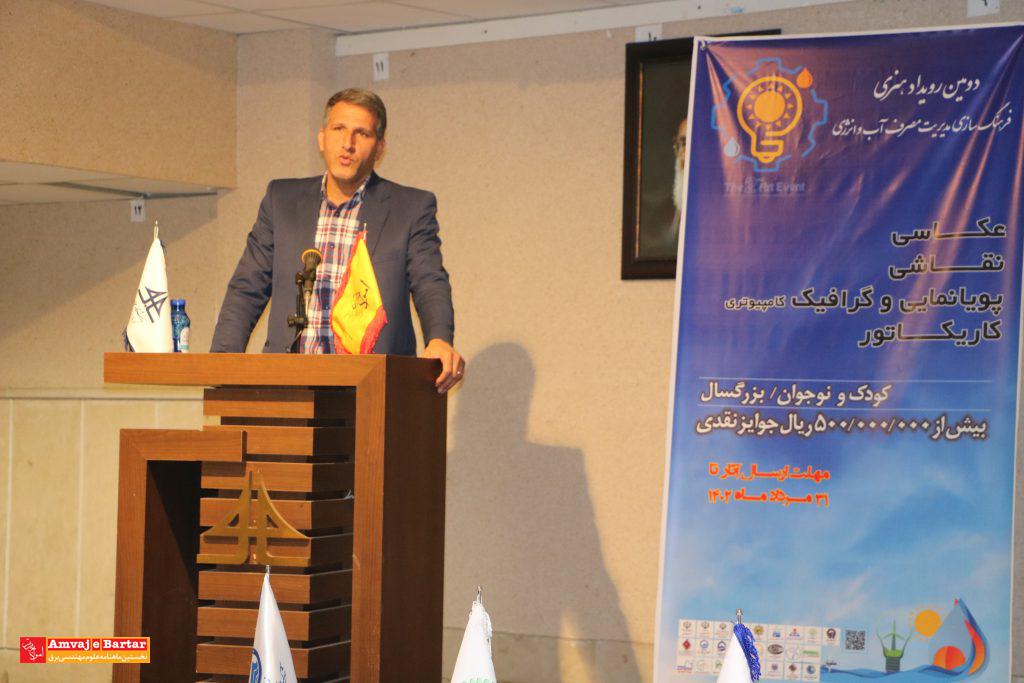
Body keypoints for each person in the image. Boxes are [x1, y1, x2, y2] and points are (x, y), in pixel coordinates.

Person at [211, 88, 465, 393]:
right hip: (289, 386)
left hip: (371, 387)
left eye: (362, 133)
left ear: (380, 147)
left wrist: (439, 339)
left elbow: (429, 282)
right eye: (338, 129)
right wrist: (223, 359)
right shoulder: (282, 200)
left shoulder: (409, 208)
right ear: (322, 138)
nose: (348, 143)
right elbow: (248, 286)